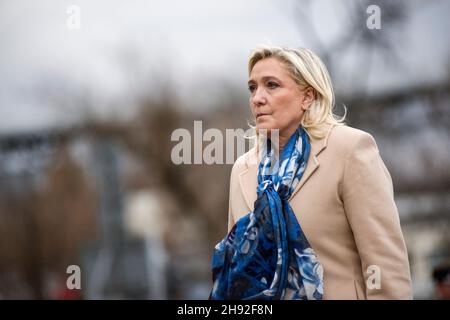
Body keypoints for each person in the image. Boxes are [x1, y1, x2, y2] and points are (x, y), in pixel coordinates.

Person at [209, 45, 412, 300]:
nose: (257, 98)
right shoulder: (243, 169)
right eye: (252, 87)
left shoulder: (349, 150)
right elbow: (237, 272)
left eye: (271, 85)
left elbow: (387, 267)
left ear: (307, 96)